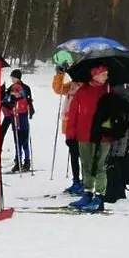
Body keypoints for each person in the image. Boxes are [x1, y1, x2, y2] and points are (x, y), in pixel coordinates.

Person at [68, 65, 111, 212]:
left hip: (102, 137)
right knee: (86, 165)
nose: (106, 76)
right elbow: (73, 112)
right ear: (94, 75)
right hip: (83, 135)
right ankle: (87, 193)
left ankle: (99, 198)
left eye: (106, 74)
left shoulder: (109, 90)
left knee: (99, 166)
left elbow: (114, 114)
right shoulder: (82, 91)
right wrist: (70, 134)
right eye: (103, 74)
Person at [52, 57, 83, 195]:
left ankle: (84, 181)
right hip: (69, 124)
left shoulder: (86, 86)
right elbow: (58, 89)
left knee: (82, 154)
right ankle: (76, 181)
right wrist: (60, 74)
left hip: (81, 125)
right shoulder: (72, 84)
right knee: (74, 154)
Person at [103, 83, 129, 203]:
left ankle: (111, 193)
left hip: (115, 132)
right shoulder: (128, 94)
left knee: (111, 161)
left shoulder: (113, 93)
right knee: (120, 159)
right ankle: (120, 191)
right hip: (125, 134)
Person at [0, 69, 34, 153]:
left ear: (17, 78)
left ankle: (22, 158)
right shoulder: (13, 87)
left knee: (19, 136)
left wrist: (30, 109)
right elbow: (5, 99)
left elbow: (27, 100)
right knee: (3, 132)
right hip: (11, 114)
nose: (12, 79)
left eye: (13, 78)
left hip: (18, 114)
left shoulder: (23, 87)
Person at [3, 82, 32, 172]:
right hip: (16, 127)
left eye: (16, 92)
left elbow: (26, 111)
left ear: (20, 92)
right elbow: (7, 112)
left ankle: (27, 161)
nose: (14, 93)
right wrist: (7, 107)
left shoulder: (23, 101)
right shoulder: (12, 101)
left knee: (25, 144)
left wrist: (15, 108)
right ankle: (18, 162)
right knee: (17, 145)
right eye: (12, 92)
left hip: (24, 127)